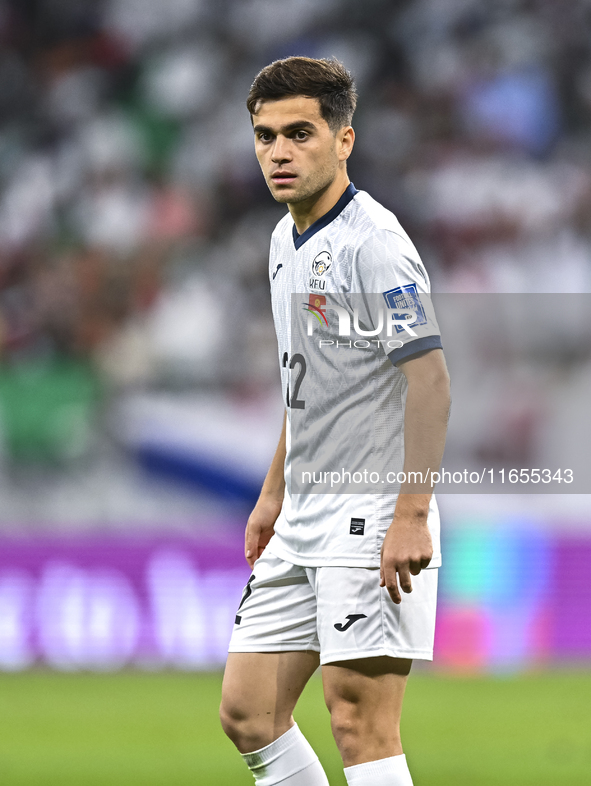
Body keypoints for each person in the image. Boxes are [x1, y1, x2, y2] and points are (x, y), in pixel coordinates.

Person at [220, 56, 451, 786]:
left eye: (299, 133)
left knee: (358, 722)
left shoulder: (373, 244)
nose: (279, 153)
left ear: (343, 139)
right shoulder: (280, 242)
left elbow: (431, 382)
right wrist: (273, 492)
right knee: (248, 712)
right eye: (264, 137)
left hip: (371, 508)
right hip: (304, 509)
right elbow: (307, 383)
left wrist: (409, 515)